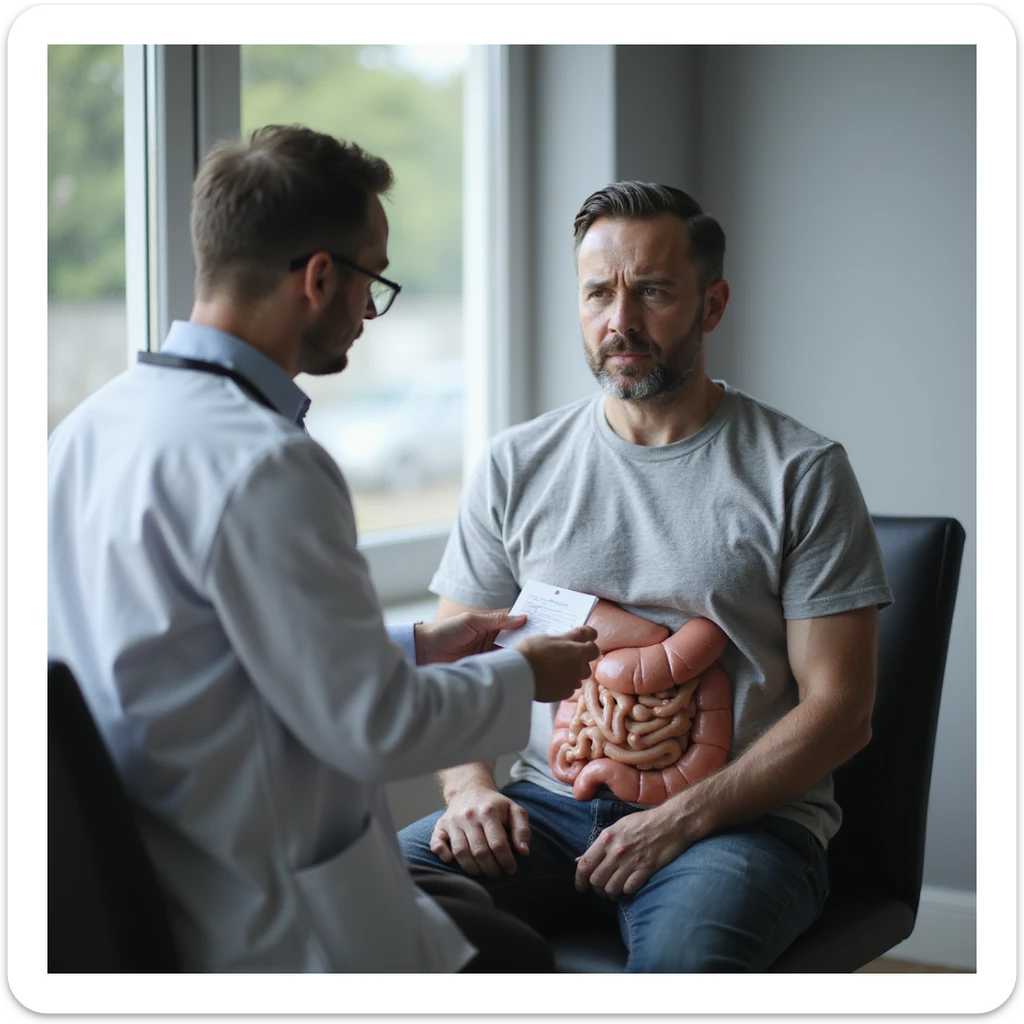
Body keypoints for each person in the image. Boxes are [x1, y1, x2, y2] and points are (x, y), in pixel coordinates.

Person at [46, 124, 600, 974]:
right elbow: (372, 730)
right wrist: (530, 677)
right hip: (257, 913)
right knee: (519, 966)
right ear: (317, 277)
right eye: (372, 282)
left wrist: (419, 644)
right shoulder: (267, 463)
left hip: (149, 867)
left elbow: (191, 654)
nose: (368, 315)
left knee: (460, 904)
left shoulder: (87, 430)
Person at [398, 181, 895, 973]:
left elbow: (842, 711)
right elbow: (457, 659)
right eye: (598, 293)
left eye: (654, 291)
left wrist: (683, 819)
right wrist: (467, 791)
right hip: (542, 812)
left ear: (713, 303)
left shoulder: (800, 471)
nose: (620, 322)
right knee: (362, 903)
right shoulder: (515, 465)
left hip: (738, 826)